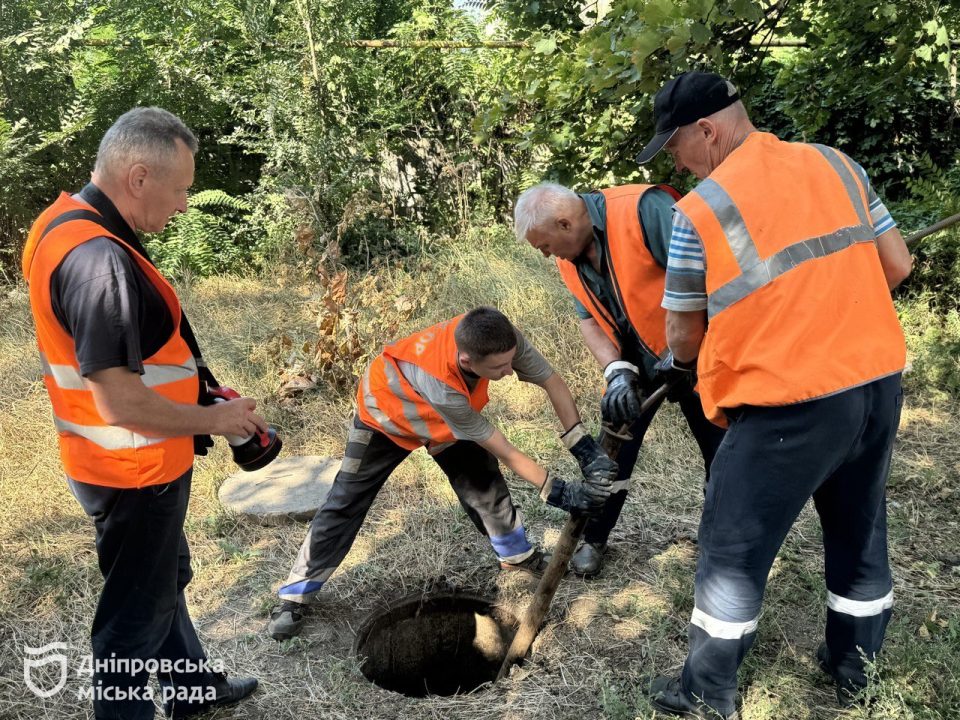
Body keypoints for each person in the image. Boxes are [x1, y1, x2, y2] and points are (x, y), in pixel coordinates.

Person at [634, 71, 913, 719]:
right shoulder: (837, 165)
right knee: (860, 531)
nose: (674, 161)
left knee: (733, 547)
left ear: (707, 130)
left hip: (787, 405)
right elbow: (896, 266)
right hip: (875, 385)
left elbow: (682, 337)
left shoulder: (697, 212)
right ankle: (855, 671)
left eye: (673, 146)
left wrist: (677, 364)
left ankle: (706, 693)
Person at [22, 107, 262, 719]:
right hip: (135, 467)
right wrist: (219, 422)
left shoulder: (61, 222)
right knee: (131, 620)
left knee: (160, 579)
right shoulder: (99, 261)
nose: (184, 204)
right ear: (137, 177)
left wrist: (200, 397)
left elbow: (133, 364)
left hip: (109, 460)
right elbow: (120, 399)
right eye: (180, 189)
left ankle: (192, 690)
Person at [268, 307, 617, 640]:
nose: (510, 372)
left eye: (510, 361)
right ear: (467, 361)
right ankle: (295, 596)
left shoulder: (499, 338)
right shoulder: (443, 383)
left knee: (482, 482)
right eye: (499, 367)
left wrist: (582, 446)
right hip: (387, 418)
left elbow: (551, 381)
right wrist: (554, 490)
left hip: (445, 421)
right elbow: (506, 448)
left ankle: (517, 557)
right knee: (346, 500)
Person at [513, 182, 725, 577]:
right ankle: (595, 538)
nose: (545, 255)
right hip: (635, 362)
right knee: (611, 455)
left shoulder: (644, 211)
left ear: (564, 223)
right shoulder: (567, 255)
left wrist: (689, 352)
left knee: (721, 448)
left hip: (697, 354)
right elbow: (589, 320)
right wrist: (617, 373)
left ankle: (719, 542)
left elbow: (709, 276)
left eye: (544, 245)